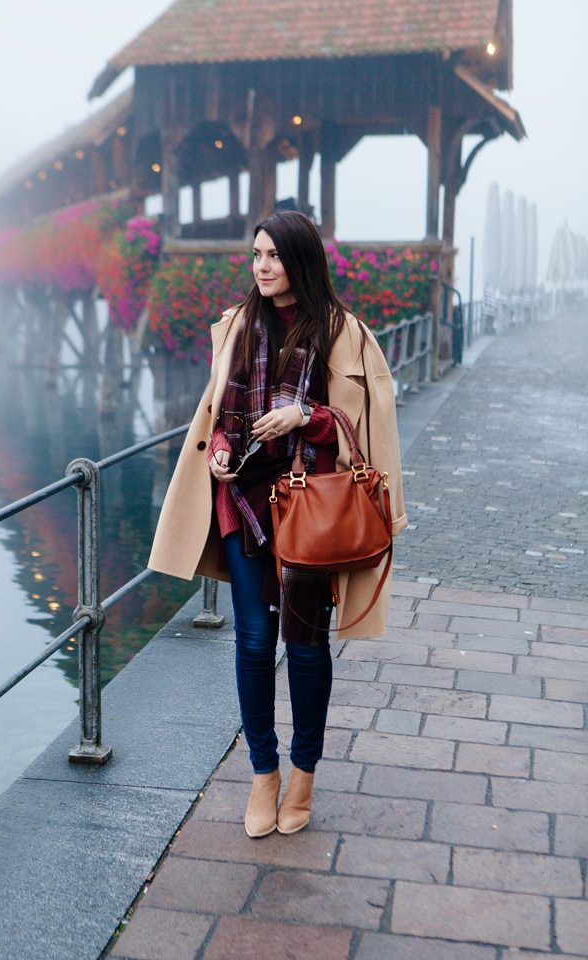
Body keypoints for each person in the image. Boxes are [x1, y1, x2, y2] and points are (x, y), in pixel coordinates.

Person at [149, 211, 407, 838]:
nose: (261, 266)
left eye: (273, 255)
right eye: (256, 254)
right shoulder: (239, 326)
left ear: (301, 260)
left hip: (311, 507)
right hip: (242, 502)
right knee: (255, 642)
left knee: (309, 647)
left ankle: (304, 774)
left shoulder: (343, 333)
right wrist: (216, 446)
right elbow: (219, 411)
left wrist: (303, 418)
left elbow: (359, 424)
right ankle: (263, 773)